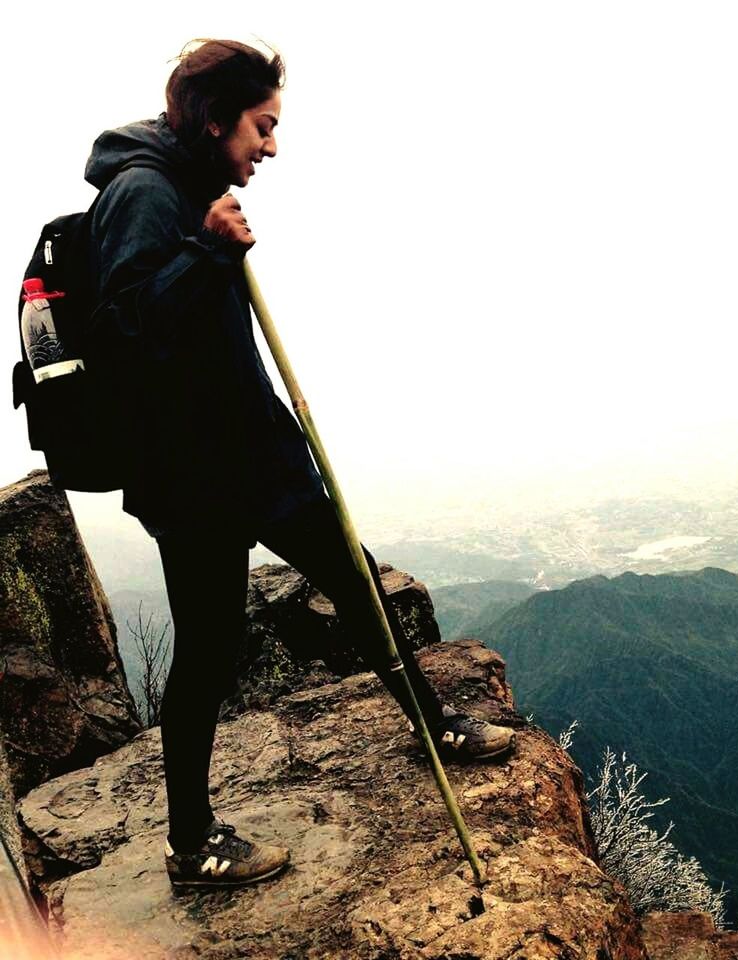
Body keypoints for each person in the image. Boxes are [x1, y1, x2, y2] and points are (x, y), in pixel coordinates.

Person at [83, 38, 516, 890]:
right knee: (209, 648)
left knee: (355, 581)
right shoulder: (142, 192)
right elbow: (126, 334)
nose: (271, 147)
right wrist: (206, 251)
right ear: (216, 121)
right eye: (262, 126)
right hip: (194, 474)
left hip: (251, 454)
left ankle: (434, 727)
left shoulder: (190, 184)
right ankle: (192, 843)